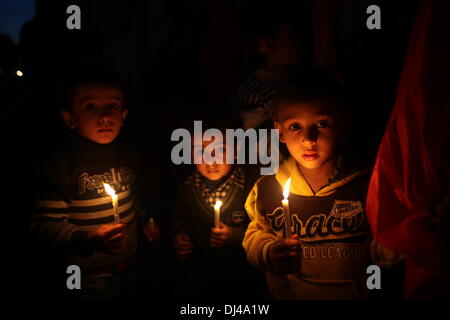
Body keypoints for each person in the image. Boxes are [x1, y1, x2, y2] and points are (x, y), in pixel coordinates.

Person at [242, 69, 398, 299]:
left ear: (344, 123)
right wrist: (269, 251)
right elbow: (256, 234)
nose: (308, 139)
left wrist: (393, 252)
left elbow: (388, 237)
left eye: (322, 123)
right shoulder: (267, 189)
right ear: (279, 131)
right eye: (295, 126)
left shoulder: (370, 184)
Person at [32, 71, 159, 299]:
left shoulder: (126, 154)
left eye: (113, 106)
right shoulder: (61, 164)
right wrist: (87, 239)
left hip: (131, 264)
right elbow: (44, 224)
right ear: (70, 118)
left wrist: (144, 220)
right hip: (86, 274)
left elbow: (130, 197)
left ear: (124, 115)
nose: (105, 117)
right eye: (90, 107)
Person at [171, 118, 266, 300]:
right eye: (200, 152)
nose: (210, 160)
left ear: (236, 151)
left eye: (219, 151)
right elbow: (178, 218)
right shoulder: (187, 188)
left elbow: (263, 228)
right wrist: (179, 236)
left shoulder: (250, 188)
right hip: (201, 271)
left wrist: (235, 235)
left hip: (241, 274)